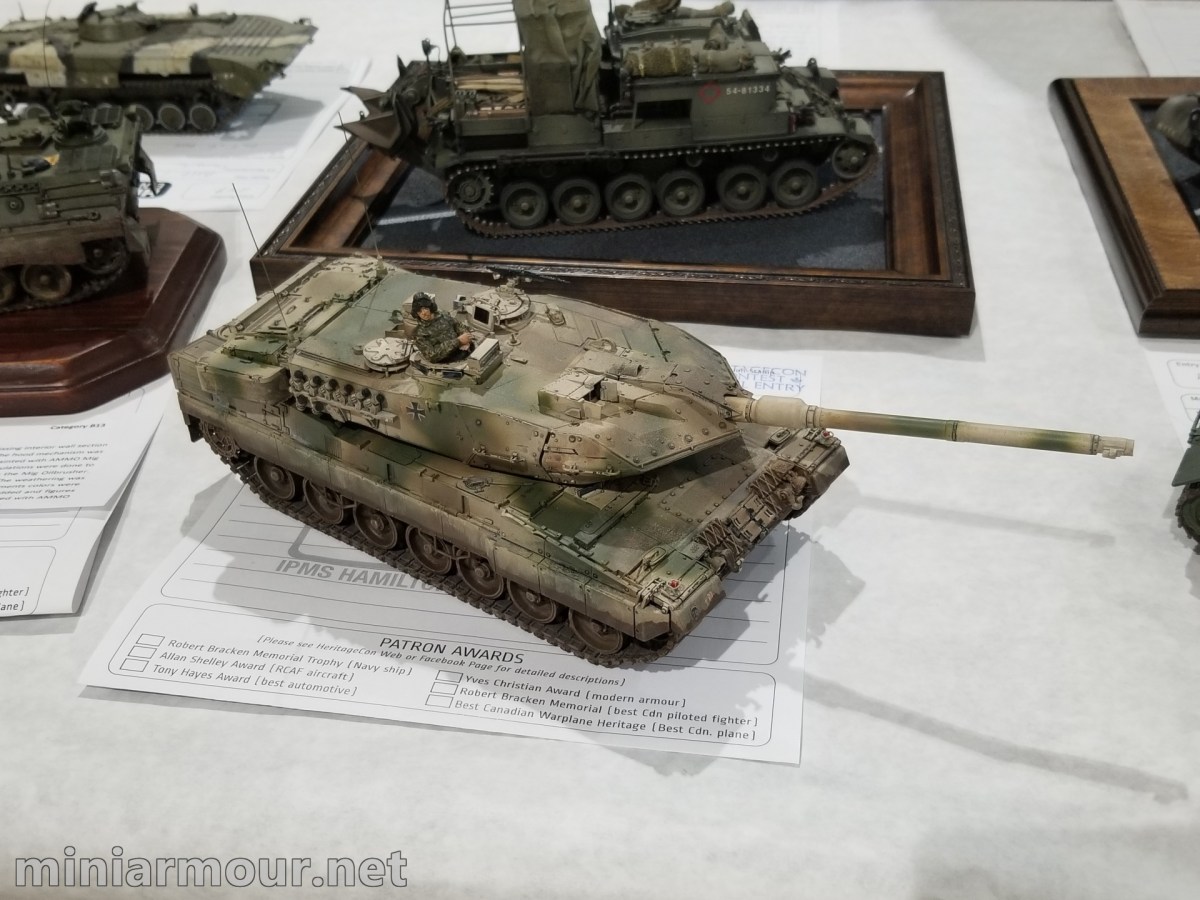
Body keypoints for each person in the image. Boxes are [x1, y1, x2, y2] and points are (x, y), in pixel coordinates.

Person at [411, 292, 473, 363]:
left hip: (464, 350)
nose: (423, 313)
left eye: (425, 308)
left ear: (431, 307)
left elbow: (457, 325)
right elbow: (432, 356)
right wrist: (458, 341)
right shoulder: (418, 334)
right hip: (448, 362)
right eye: (419, 312)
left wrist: (465, 335)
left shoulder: (443, 315)